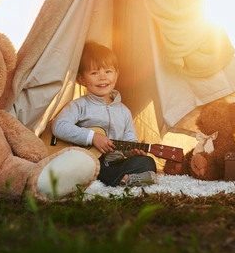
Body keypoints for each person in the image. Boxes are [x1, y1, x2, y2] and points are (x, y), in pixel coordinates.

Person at [52, 41, 157, 187]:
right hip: (89, 161)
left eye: (108, 71)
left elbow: (129, 141)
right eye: (94, 73)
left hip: (115, 162)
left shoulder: (124, 112)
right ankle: (124, 179)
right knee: (85, 164)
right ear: (81, 79)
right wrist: (92, 137)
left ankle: (119, 177)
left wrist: (132, 152)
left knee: (147, 162)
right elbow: (59, 126)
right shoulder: (79, 105)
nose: (103, 77)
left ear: (116, 74)